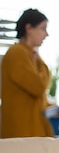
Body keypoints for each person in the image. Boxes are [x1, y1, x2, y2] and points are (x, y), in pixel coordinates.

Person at [1, 8, 54, 138]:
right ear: (29, 28)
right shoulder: (17, 53)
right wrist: (41, 64)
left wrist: (54, 108)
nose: (46, 34)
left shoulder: (29, 55)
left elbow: (35, 99)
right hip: (21, 132)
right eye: (43, 28)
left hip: (29, 130)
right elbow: (38, 87)